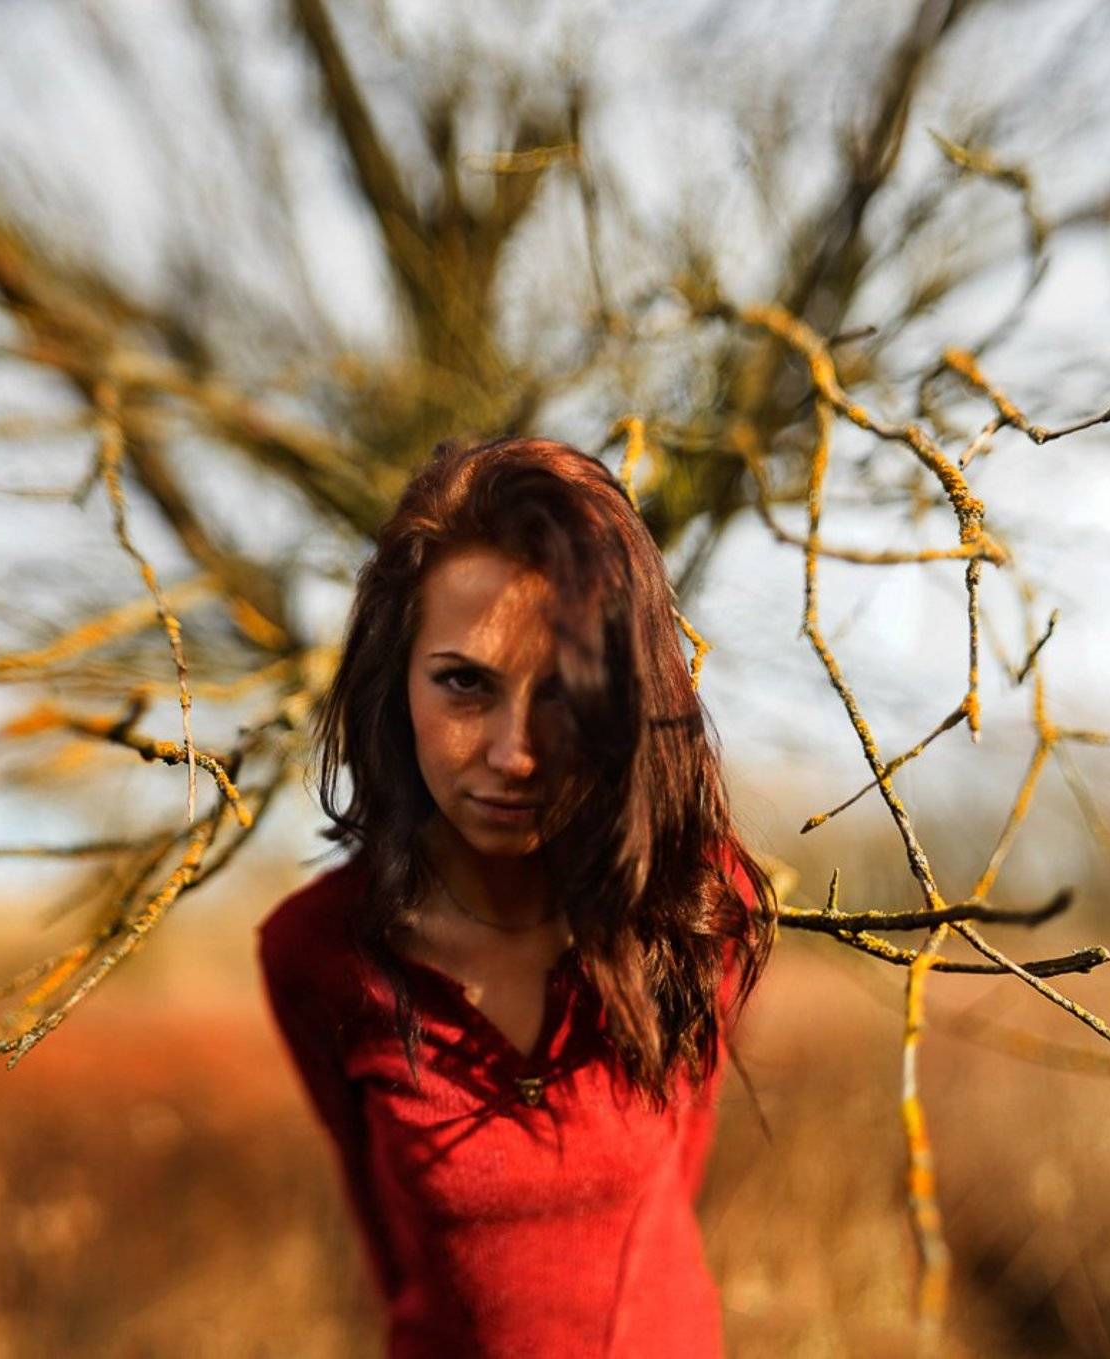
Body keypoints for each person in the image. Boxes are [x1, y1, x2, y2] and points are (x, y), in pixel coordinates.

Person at [256, 435, 778, 1358]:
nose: (514, 753)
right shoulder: (317, 952)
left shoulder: (697, 904)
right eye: (465, 683)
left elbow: (674, 1180)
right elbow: (393, 1243)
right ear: (395, 678)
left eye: (563, 693)